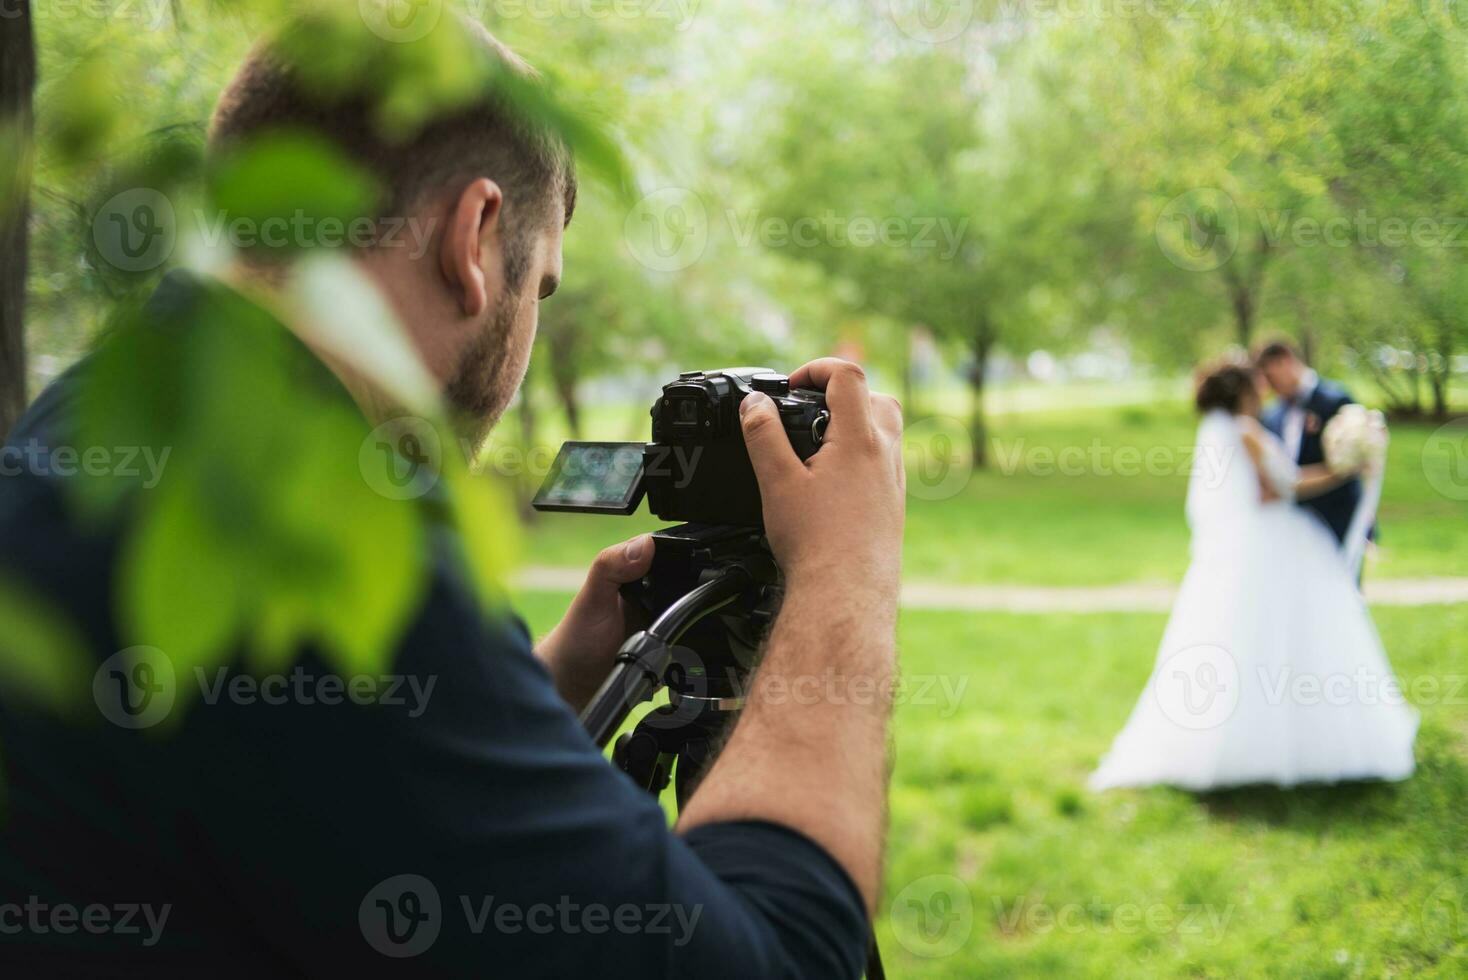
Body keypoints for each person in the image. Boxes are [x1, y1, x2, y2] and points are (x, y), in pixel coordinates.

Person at [0, 14, 905, 977]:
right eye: (542, 289)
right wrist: (845, 573)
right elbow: (771, 961)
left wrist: (545, 679)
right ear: (474, 240)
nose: (526, 337)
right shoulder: (317, 533)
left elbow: (344, 796)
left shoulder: (100, 421)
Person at [1089, 363, 1416, 791]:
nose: (1262, 392)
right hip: (1272, 542)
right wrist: (1345, 468)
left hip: (1248, 543)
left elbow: (1262, 488)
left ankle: (1241, 746)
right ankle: (1303, 746)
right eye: (1255, 386)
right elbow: (1288, 484)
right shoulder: (1243, 429)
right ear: (1243, 392)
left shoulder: (1219, 429)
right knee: (1295, 638)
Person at [1255, 340, 1364, 548]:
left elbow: (1354, 467)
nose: (1268, 386)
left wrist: (1365, 527)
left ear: (1285, 361)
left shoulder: (1335, 400)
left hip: (1336, 521)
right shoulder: (1271, 415)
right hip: (1289, 526)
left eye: (1269, 376)